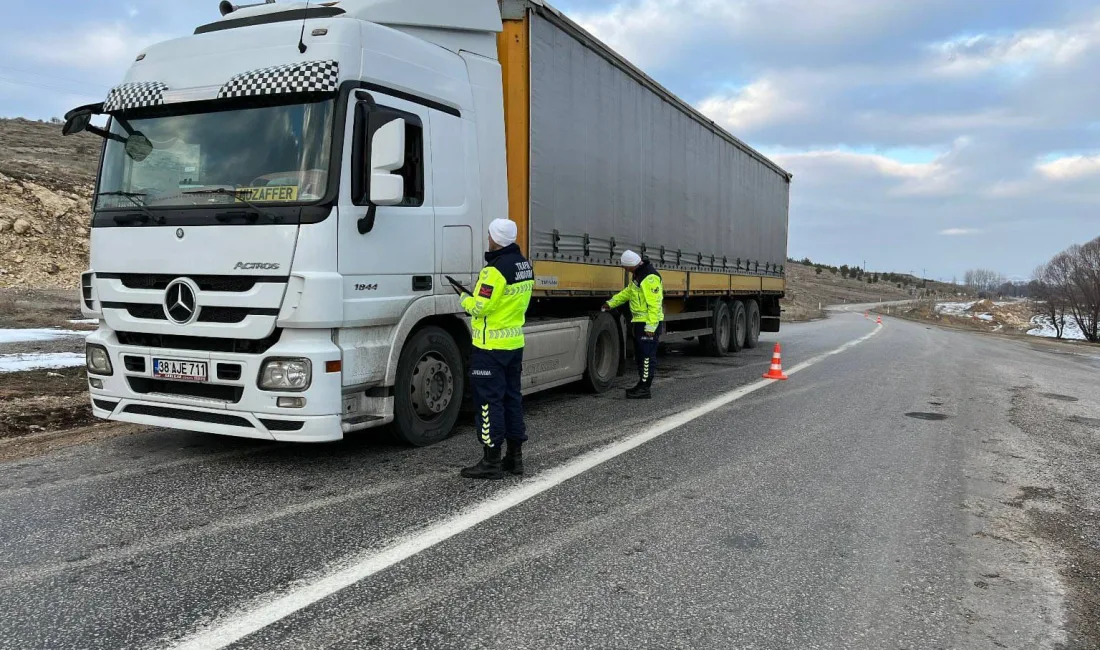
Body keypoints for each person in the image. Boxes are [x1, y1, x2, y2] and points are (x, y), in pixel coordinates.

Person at [457, 218, 534, 479]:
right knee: (512, 399)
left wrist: (464, 298)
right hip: (514, 344)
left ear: (495, 238)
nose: (487, 238)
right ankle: (515, 458)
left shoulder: (494, 270)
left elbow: (482, 307)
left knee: (489, 403)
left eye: (489, 234)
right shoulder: (524, 265)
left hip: (490, 346)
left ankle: (491, 462)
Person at [602, 250, 664, 399]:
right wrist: (611, 303)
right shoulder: (638, 275)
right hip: (639, 322)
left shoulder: (649, 278)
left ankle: (645, 388)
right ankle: (641, 384)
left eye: (625, 267)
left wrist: (650, 327)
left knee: (647, 357)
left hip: (648, 325)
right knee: (641, 356)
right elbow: (628, 293)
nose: (625, 269)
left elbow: (655, 304)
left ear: (631, 265)